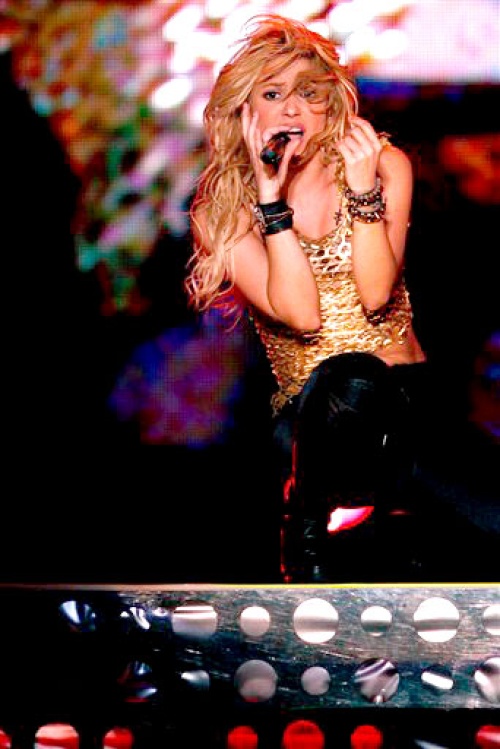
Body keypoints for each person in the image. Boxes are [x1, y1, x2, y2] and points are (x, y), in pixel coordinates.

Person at [185, 13, 428, 583]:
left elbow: (375, 293)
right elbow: (301, 314)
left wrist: (363, 193)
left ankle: (335, 519)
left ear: (331, 105)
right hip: (311, 425)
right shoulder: (223, 209)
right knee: (345, 376)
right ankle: (306, 521)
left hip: (404, 410)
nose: (292, 110)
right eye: (273, 94)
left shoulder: (383, 166)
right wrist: (272, 206)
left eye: (309, 94)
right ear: (246, 110)